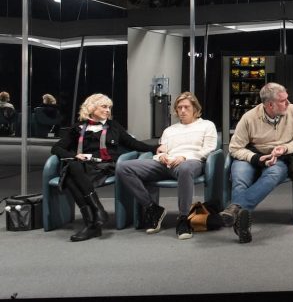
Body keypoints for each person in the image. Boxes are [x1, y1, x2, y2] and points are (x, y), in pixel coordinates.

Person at [50, 93, 158, 242]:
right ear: (92, 108)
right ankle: (97, 214)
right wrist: (75, 156)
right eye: (104, 106)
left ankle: (92, 222)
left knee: (69, 174)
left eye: (109, 107)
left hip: (104, 165)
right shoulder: (78, 128)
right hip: (82, 166)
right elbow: (56, 148)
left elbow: (134, 144)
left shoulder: (113, 126)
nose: (108, 110)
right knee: (72, 168)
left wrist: (155, 149)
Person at [116, 92, 218, 240]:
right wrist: (161, 156)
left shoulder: (207, 125)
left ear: (195, 108)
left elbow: (209, 149)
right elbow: (161, 150)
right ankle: (152, 208)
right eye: (179, 107)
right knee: (124, 167)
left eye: (186, 107)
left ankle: (184, 218)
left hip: (191, 162)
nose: (182, 110)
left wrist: (184, 157)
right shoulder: (169, 130)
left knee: (184, 168)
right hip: (166, 164)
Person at [221, 82, 293, 243]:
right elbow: (234, 147)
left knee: (273, 174)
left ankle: (236, 210)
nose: (288, 103)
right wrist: (254, 158)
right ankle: (242, 224)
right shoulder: (249, 118)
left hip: (279, 157)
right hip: (251, 155)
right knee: (239, 177)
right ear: (270, 105)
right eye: (283, 101)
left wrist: (284, 148)